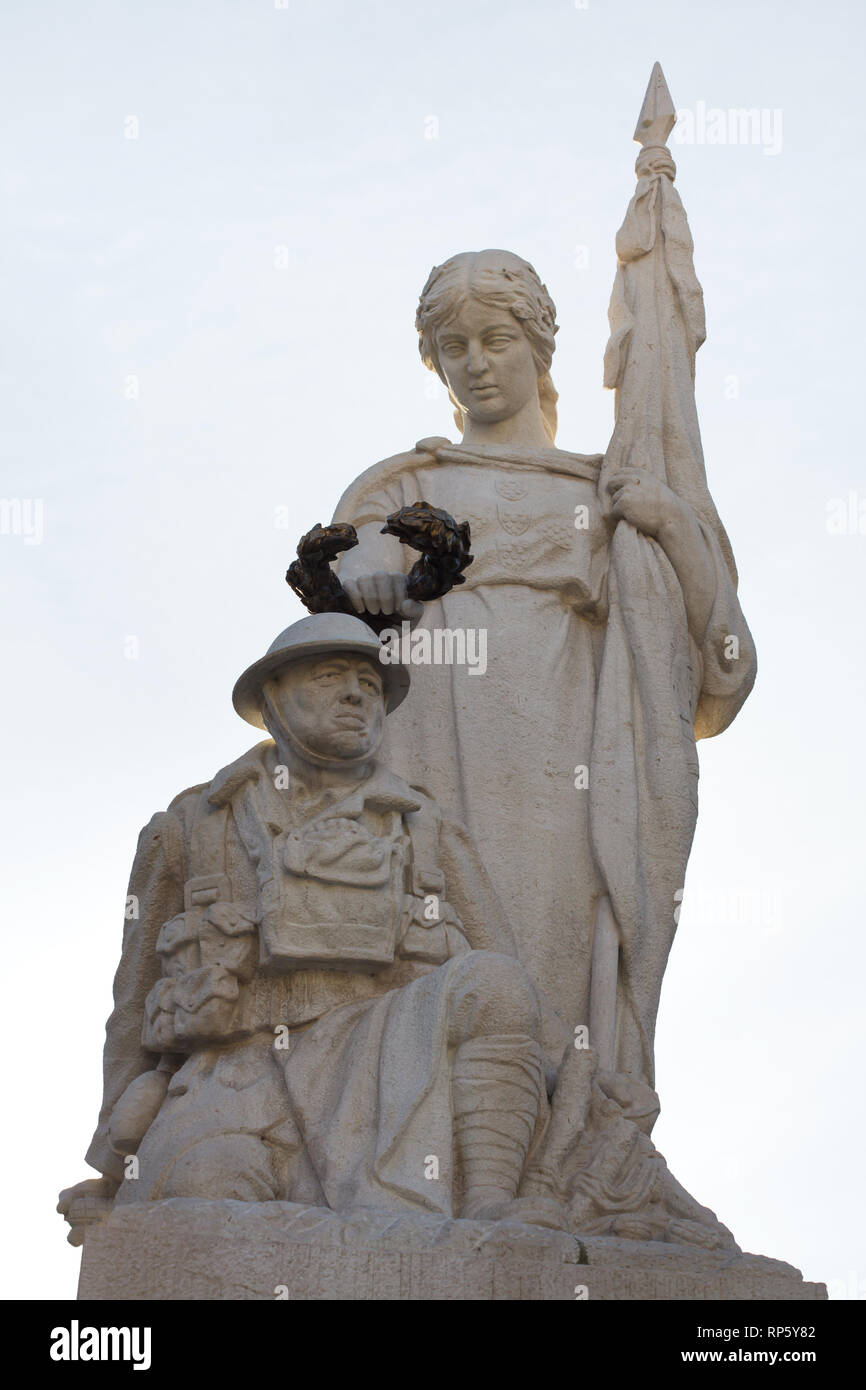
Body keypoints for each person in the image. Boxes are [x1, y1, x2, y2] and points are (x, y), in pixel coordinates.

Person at [332, 249, 757, 1099]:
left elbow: (720, 668)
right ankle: (422, 1151)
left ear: (538, 347)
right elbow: (336, 614)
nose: (476, 362)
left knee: (551, 952)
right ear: (435, 362)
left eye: (496, 339)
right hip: (431, 742)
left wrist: (672, 526)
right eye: (453, 346)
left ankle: (560, 1140)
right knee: (428, 944)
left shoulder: (613, 493)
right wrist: (373, 588)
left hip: (569, 758)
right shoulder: (403, 484)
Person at [58, 612, 565, 1246]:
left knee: (493, 983)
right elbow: (133, 1004)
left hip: (395, 1052)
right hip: (237, 1073)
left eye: (370, 684)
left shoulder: (426, 825)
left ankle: (490, 1202)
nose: (357, 694)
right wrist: (114, 1165)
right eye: (331, 677)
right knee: (206, 1199)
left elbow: (503, 967)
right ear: (273, 699)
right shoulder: (191, 824)